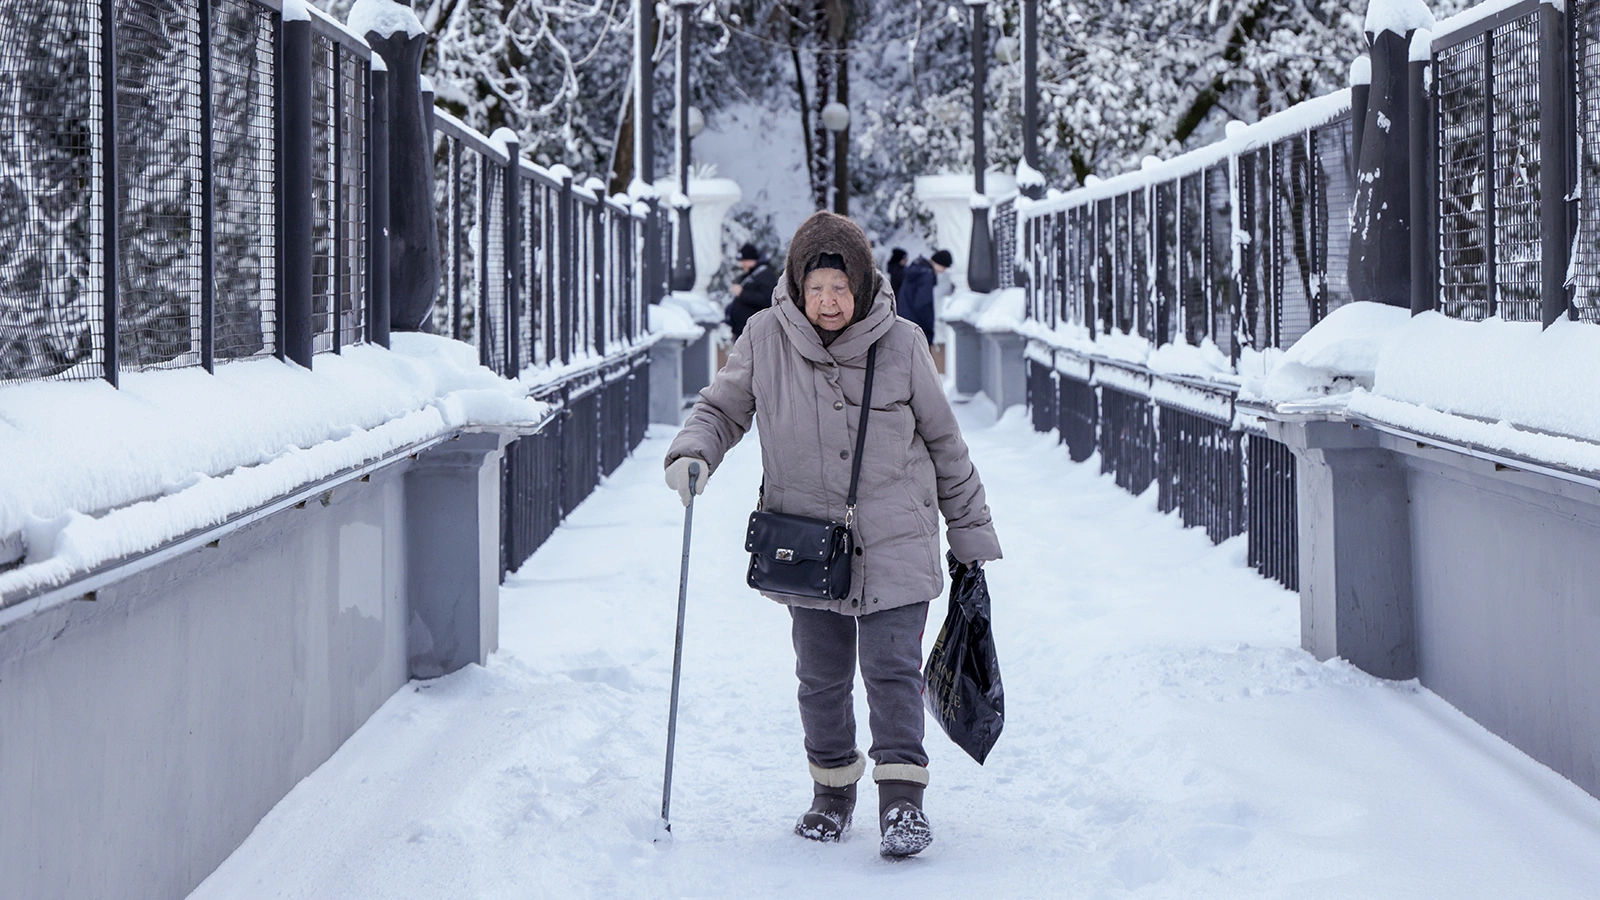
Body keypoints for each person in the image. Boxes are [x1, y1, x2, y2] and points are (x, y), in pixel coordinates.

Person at [662, 213, 1001, 859]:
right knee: (820, 676)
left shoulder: (902, 343)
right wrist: (692, 451)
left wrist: (971, 532)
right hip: (808, 543)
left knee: (892, 671)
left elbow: (945, 444)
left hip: (896, 536)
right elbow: (721, 408)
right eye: (816, 288)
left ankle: (902, 802)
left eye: (840, 289)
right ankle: (832, 792)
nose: (828, 302)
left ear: (863, 285)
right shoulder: (764, 337)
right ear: (797, 285)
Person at [898, 249, 951, 344]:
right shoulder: (926, 276)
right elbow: (923, 304)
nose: (943, 271)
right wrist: (929, 330)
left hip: (904, 321)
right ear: (938, 263)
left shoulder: (916, 271)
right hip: (917, 327)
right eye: (944, 267)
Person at [725, 242, 778, 338]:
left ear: (752, 259)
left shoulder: (765, 275)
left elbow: (767, 299)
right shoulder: (751, 275)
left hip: (755, 332)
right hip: (743, 330)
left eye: (744, 261)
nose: (742, 265)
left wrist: (742, 293)